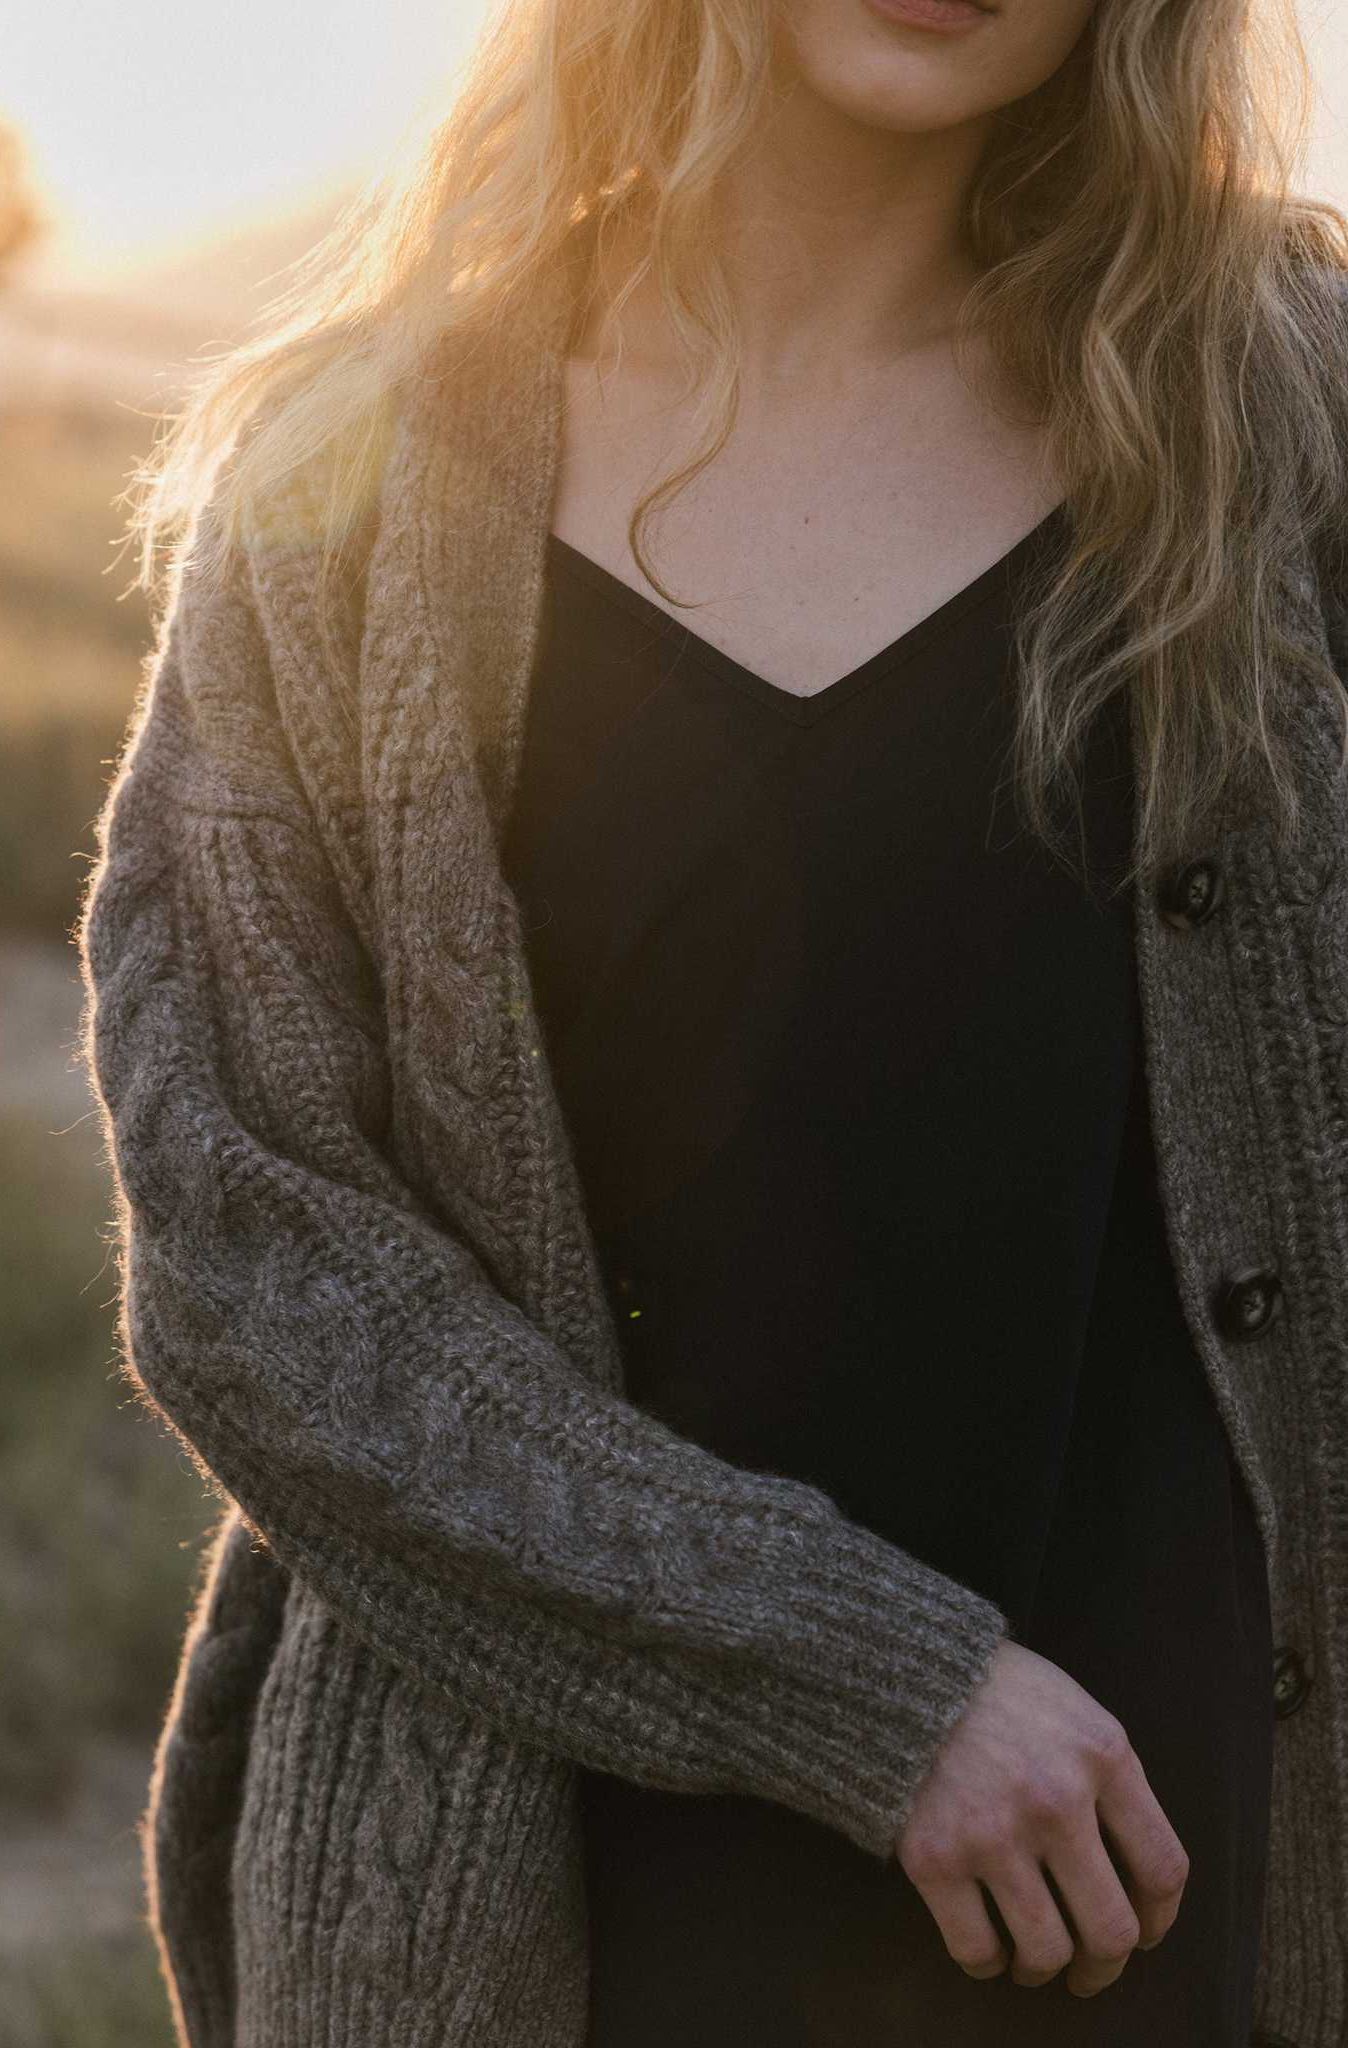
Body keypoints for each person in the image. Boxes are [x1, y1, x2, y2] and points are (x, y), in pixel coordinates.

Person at [75, 0, 1348, 2043]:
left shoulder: (1281, 417)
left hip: (1159, 1857)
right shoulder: (352, 480)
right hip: (530, 1885)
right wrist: (870, 1684)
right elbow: (248, 1248)